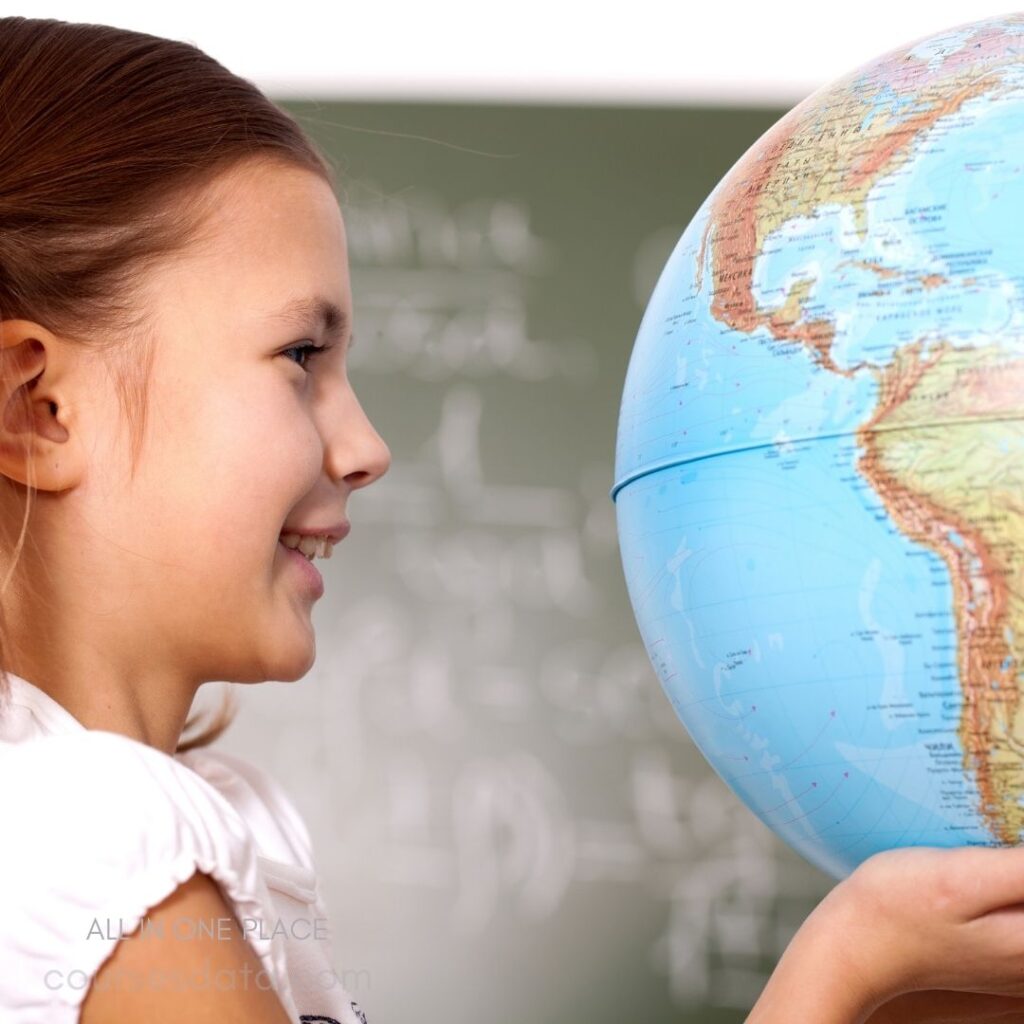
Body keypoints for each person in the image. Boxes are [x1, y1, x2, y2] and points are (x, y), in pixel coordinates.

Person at [2, 16, 1024, 1024]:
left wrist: (889, 987)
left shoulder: (118, 823)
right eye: (302, 359)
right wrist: (843, 965)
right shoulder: (99, 838)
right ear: (40, 409)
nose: (365, 446)